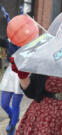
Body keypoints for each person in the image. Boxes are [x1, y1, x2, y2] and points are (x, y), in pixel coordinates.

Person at [0, 6, 23, 135]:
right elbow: (9, 22)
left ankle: (13, 127)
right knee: (3, 104)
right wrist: (6, 14)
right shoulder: (9, 40)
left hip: (22, 74)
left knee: (16, 105)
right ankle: (13, 117)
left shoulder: (27, 41)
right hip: (10, 72)